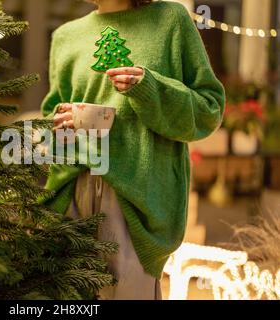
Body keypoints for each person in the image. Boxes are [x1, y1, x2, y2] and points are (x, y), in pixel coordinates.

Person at [40, 0, 225, 300]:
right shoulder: (65, 35)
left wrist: (149, 87)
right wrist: (59, 121)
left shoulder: (171, 20)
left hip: (137, 197)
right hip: (71, 191)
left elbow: (208, 109)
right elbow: (50, 114)